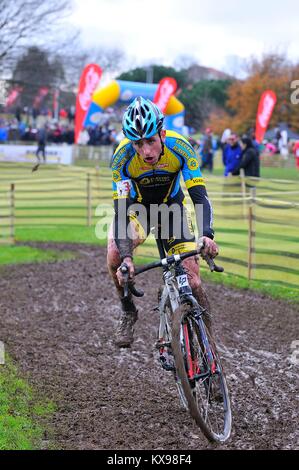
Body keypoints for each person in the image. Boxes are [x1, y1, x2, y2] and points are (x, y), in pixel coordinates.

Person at [107, 96, 219, 348]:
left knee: (192, 281)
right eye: (138, 144)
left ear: (162, 134)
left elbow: (199, 194)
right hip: (138, 211)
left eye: (151, 141)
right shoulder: (121, 158)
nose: (145, 151)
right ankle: (127, 310)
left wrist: (207, 234)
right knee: (115, 252)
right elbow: (122, 211)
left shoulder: (180, 147)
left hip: (171, 209)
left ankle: (209, 344)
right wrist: (126, 258)